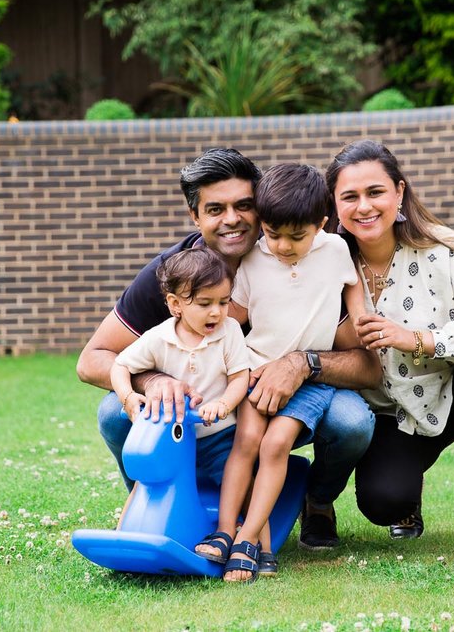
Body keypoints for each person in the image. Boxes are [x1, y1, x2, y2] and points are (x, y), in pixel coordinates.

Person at [76, 148, 380, 549]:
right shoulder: (173, 275)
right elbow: (92, 359)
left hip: (283, 403)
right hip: (205, 409)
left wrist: (302, 363)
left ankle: (317, 500)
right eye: (215, 209)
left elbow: (367, 367)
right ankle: (160, 501)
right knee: (116, 412)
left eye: (244, 205)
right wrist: (154, 380)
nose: (232, 219)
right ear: (195, 217)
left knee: (350, 420)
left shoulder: (308, 261)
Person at [324, 140, 454, 564]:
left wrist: (418, 338)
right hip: (390, 414)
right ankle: (407, 499)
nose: (364, 206)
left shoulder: (444, 249)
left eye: (375, 192)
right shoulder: (326, 266)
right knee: (382, 503)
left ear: (399, 192)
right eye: (350, 196)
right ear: (335, 205)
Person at [193, 164, 366, 582]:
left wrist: (364, 323)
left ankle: (249, 539)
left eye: (296, 236)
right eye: (273, 234)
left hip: (308, 380)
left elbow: (353, 293)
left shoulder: (337, 251)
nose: (283, 246)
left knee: (275, 444)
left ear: (320, 224)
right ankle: (223, 533)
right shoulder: (254, 258)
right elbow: (236, 314)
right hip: (255, 368)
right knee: (247, 440)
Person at [110, 247, 249, 437]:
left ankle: (294, 468)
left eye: (223, 302)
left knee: (225, 467)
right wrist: (127, 397)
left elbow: (240, 377)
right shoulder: (159, 337)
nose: (216, 312)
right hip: (172, 435)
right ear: (176, 304)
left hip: (221, 433)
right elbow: (120, 366)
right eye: (205, 303)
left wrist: (223, 404)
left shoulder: (229, 331)